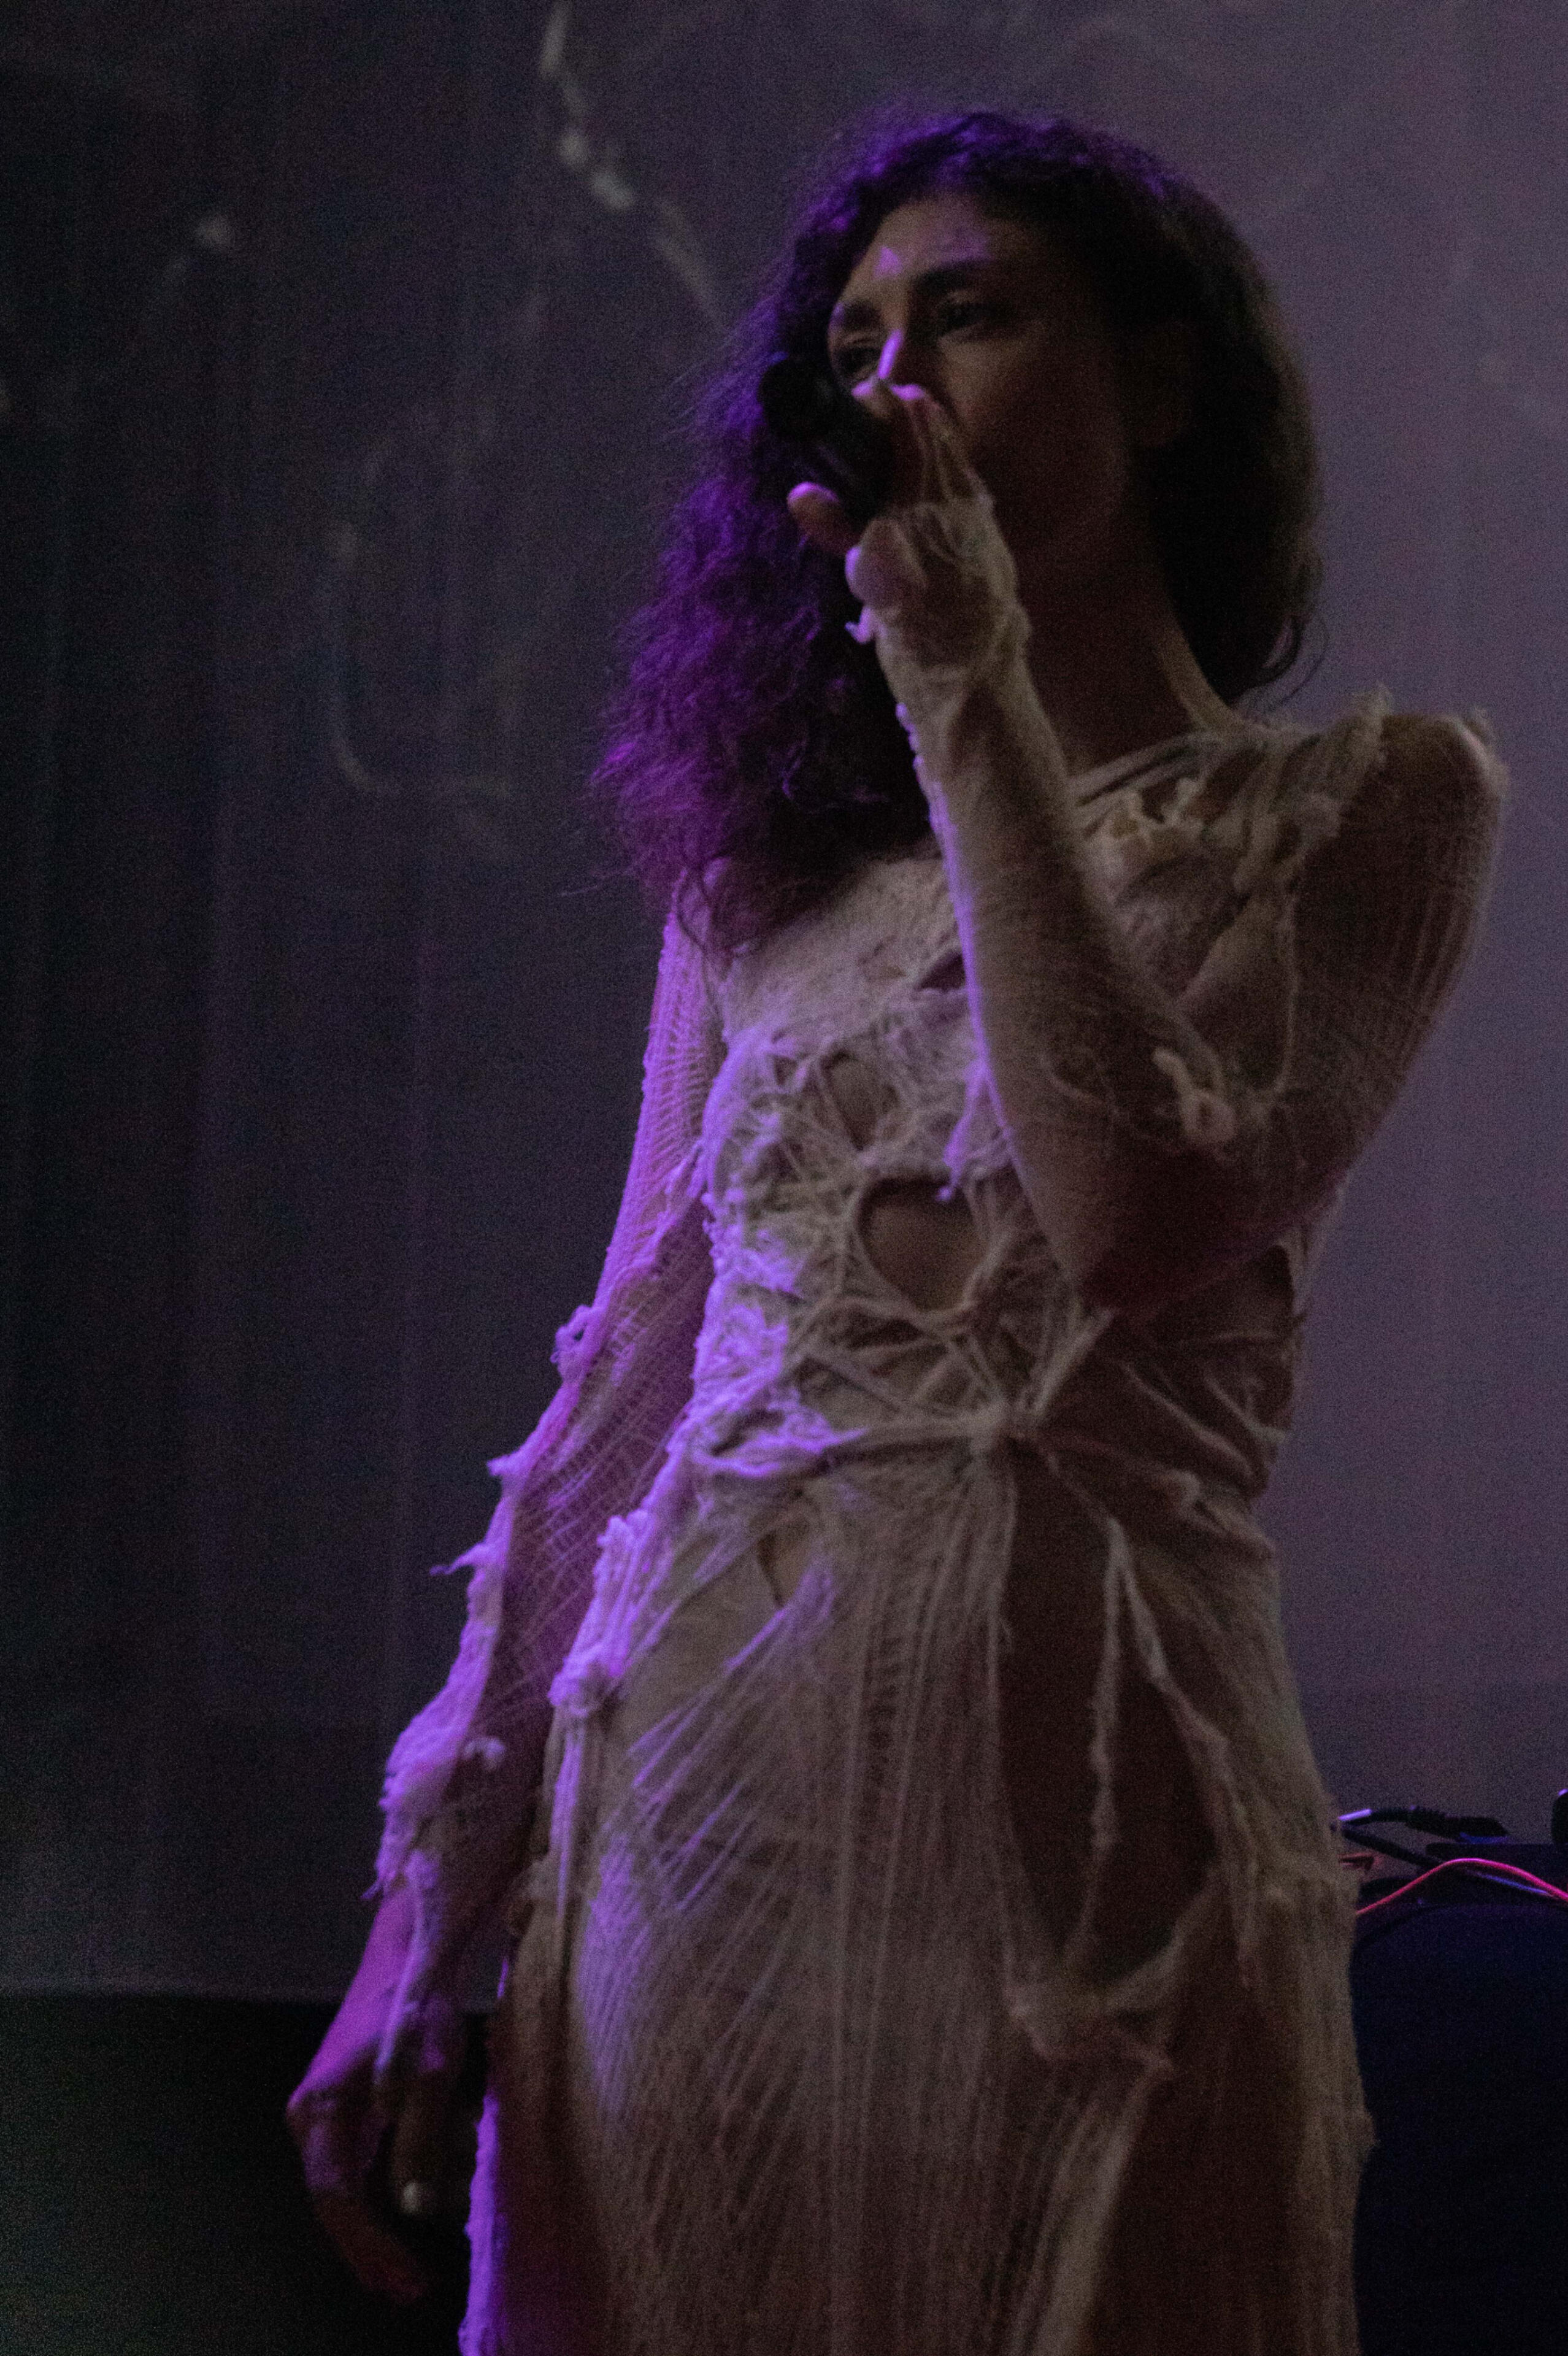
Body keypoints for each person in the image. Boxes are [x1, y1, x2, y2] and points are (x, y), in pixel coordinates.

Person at [288, 109, 1502, 2354]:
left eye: (971, 312)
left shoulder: (1363, 805)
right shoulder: (771, 879)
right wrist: (422, 1914)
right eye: (854, 338)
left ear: (1157, 379)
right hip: (703, 1825)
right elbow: (634, 1369)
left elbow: (1137, 1214)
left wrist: (967, 684)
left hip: (1096, 1833)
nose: (897, 376)